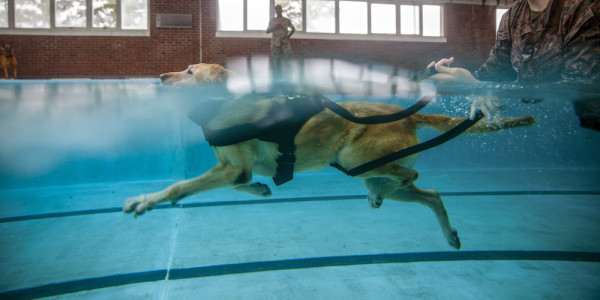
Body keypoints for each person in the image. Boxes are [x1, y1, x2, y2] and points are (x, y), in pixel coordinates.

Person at [427, 0, 600, 130]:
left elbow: (578, 86)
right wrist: (457, 79)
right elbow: (494, 72)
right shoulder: (513, 15)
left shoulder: (587, 10)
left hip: (587, 130)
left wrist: (479, 86)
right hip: (541, 129)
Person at [267, 5, 295, 76]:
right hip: (275, 42)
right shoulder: (272, 20)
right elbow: (268, 31)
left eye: (280, 9)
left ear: (282, 10)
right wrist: (276, 27)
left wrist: (288, 36)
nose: (279, 10)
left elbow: (293, 29)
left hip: (285, 42)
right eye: (277, 9)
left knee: (288, 58)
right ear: (275, 11)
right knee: (277, 60)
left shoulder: (286, 20)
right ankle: (277, 75)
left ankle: (289, 75)